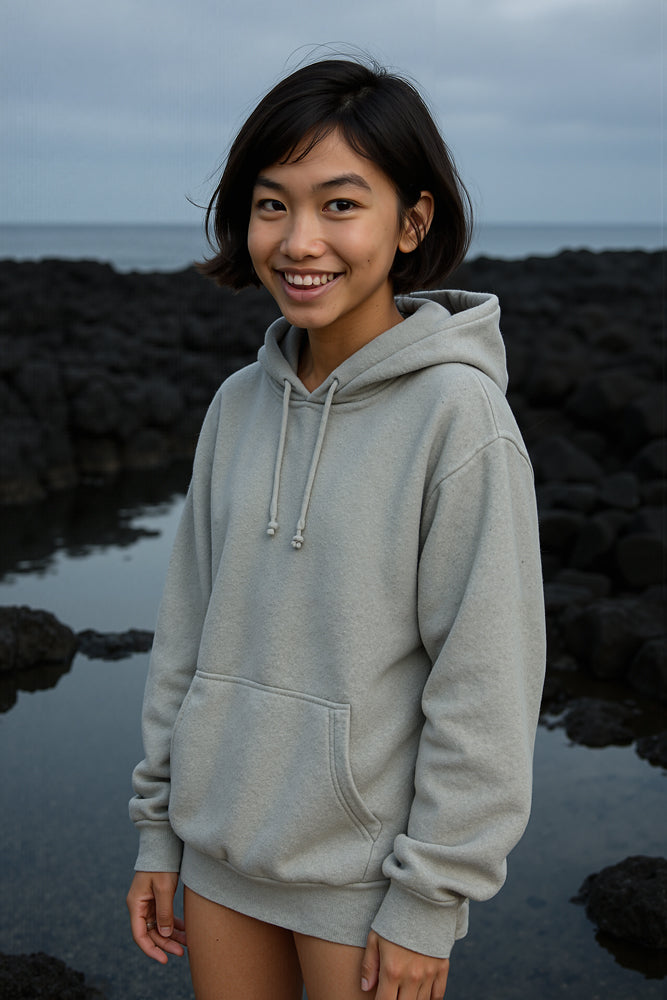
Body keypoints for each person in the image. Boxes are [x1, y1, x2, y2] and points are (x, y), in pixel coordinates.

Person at [126, 57, 546, 1000]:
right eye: (271, 204)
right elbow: (184, 639)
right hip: (221, 852)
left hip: (364, 884)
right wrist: (160, 828)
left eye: (339, 204)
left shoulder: (460, 420)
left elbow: (486, 685)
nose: (298, 240)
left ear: (412, 221)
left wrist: (430, 900)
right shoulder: (236, 405)